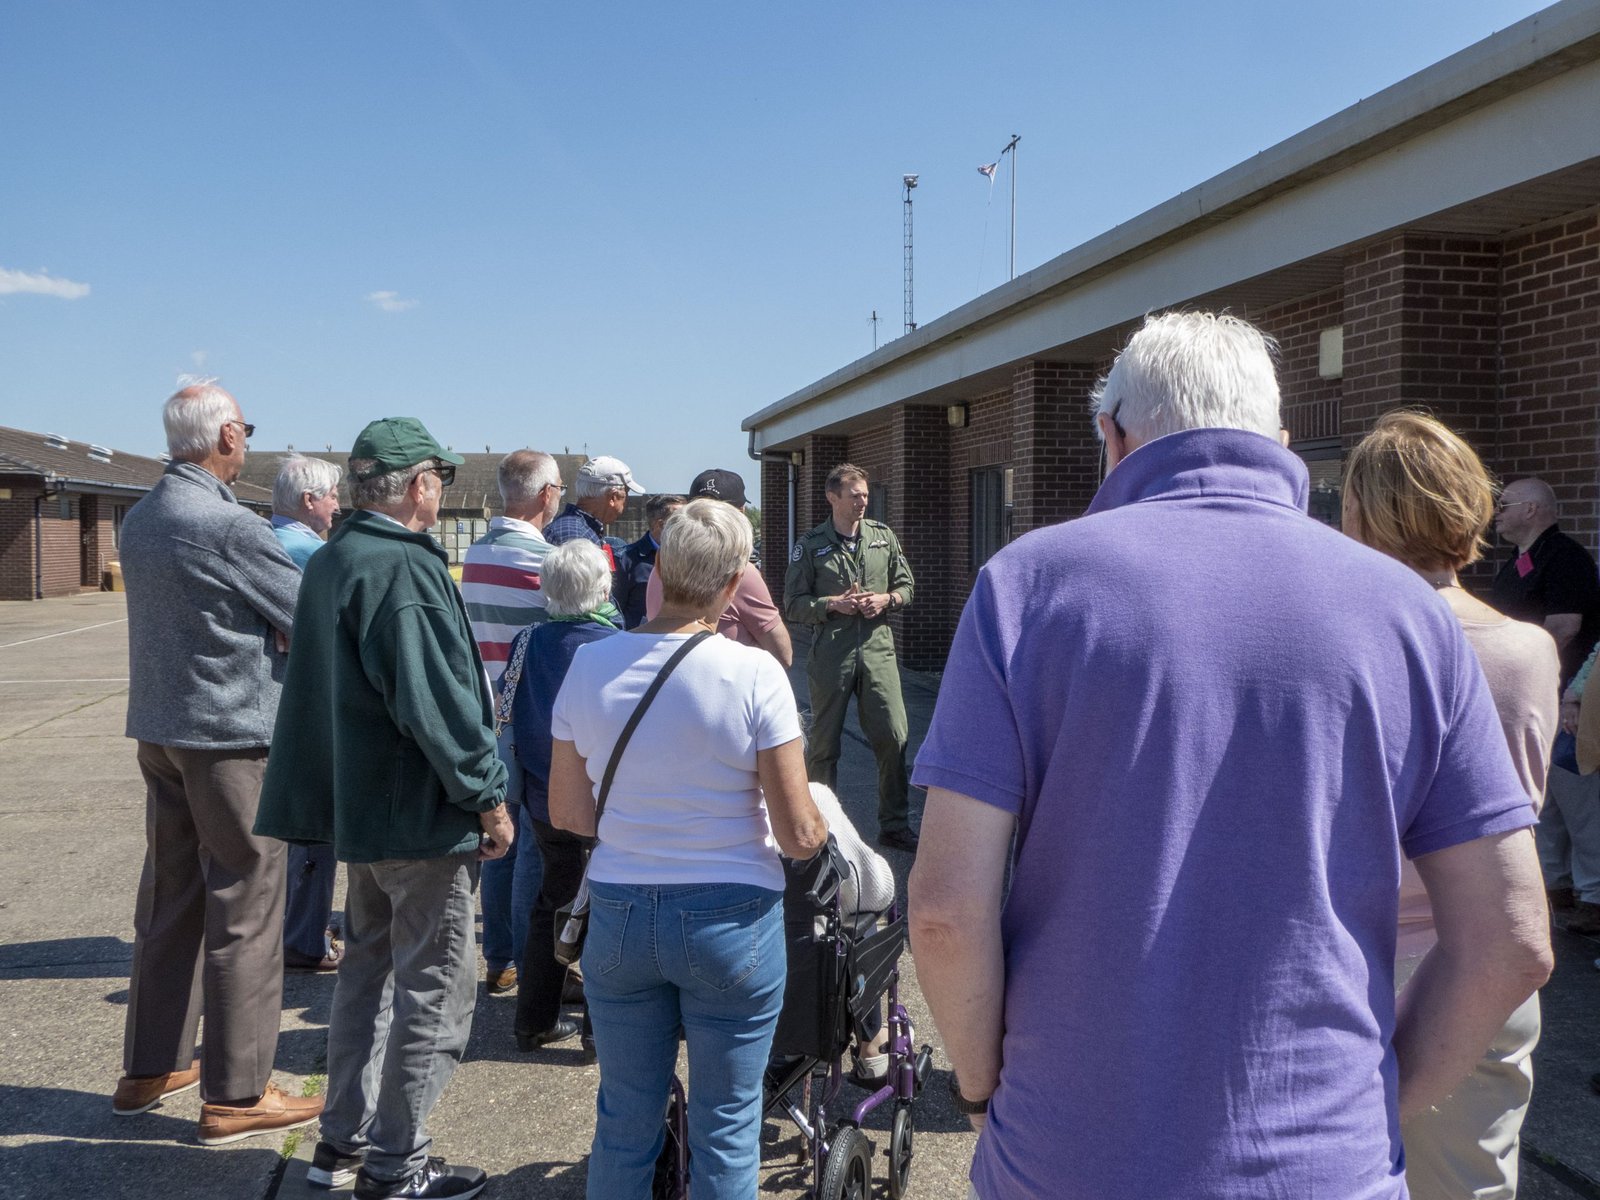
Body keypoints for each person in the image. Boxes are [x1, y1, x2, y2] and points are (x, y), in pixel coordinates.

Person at [907, 312, 1553, 1200]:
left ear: (1113, 434)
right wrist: (1376, 1108)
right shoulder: (1405, 613)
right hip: (1327, 1160)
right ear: (1282, 442)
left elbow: (944, 912)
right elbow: (1513, 940)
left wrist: (981, 1093)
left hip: (1067, 1154)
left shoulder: (1027, 585)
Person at [255, 417, 512, 1200]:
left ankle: (343, 1141)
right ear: (419, 485)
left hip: (365, 816)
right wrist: (487, 798)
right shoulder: (400, 568)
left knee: (367, 976)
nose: (442, 488)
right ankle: (398, 1165)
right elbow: (433, 700)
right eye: (438, 477)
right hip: (419, 818)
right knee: (434, 989)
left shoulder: (335, 557)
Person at [548, 498, 828, 1200]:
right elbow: (798, 836)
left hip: (619, 917)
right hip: (732, 924)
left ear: (660, 569)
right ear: (735, 582)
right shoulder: (756, 675)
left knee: (623, 1120)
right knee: (727, 1126)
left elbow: (567, 813)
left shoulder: (587, 668)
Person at [1344, 410, 1559, 1200]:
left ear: (1361, 512)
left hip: (1353, 960)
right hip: (1488, 960)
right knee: (1469, 1180)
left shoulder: (1345, 646)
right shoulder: (1527, 649)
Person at [114, 381, 322, 1144]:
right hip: (229, 738)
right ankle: (237, 1090)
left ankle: (152, 1064)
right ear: (228, 435)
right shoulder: (227, 524)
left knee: (171, 899)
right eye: (247, 431)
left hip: (162, 732)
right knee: (246, 902)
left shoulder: (143, 516)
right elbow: (310, 616)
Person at [505, 540, 623, 1055]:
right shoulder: (615, 644)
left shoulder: (525, 639)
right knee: (608, 907)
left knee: (550, 901)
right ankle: (600, 1028)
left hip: (542, 796)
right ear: (602, 588)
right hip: (603, 798)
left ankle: (533, 1021)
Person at [461, 449, 564, 994]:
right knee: (530, 846)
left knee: (497, 843)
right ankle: (529, 960)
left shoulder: (474, 556)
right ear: (546, 494)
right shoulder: (545, 563)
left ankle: (499, 957)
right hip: (529, 721)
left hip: (484, 718)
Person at [783, 463, 915, 851]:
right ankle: (821, 825)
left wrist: (886, 599)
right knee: (824, 746)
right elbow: (793, 605)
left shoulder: (882, 537)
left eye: (865, 495)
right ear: (832, 497)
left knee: (894, 735)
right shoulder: (810, 545)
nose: (862, 501)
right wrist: (832, 604)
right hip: (832, 654)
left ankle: (894, 824)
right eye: (854, 494)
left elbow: (907, 586)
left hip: (877, 649)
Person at [1489, 476, 1600, 934]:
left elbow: (1565, 627)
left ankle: (1593, 896)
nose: (1495, 512)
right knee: (1543, 801)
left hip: (1565, 695)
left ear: (1531, 510)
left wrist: (1520, 668)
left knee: (1579, 803)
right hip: (1531, 698)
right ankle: (1555, 888)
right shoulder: (1516, 564)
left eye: (1503, 504)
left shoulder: (1565, 558)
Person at [270, 453, 346, 974]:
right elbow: (323, 632)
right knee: (316, 826)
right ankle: (304, 936)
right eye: (332, 495)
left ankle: (296, 926)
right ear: (309, 501)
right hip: (306, 704)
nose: (339, 505)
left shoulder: (272, 542)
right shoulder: (304, 552)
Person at [646, 470, 793, 667]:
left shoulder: (662, 567)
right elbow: (783, 655)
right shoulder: (741, 570)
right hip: (724, 683)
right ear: (740, 513)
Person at [545, 454, 645, 579]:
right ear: (613, 497)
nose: (626, 502)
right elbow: (581, 593)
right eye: (626, 494)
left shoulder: (577, 530)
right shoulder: (577, 538)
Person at [616, 493, 683, 628]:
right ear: (660, 525)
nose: (689, 526)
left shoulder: (690, 559)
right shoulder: (626, 560)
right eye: (681, 522)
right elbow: (615, 611)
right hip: (636, 644)